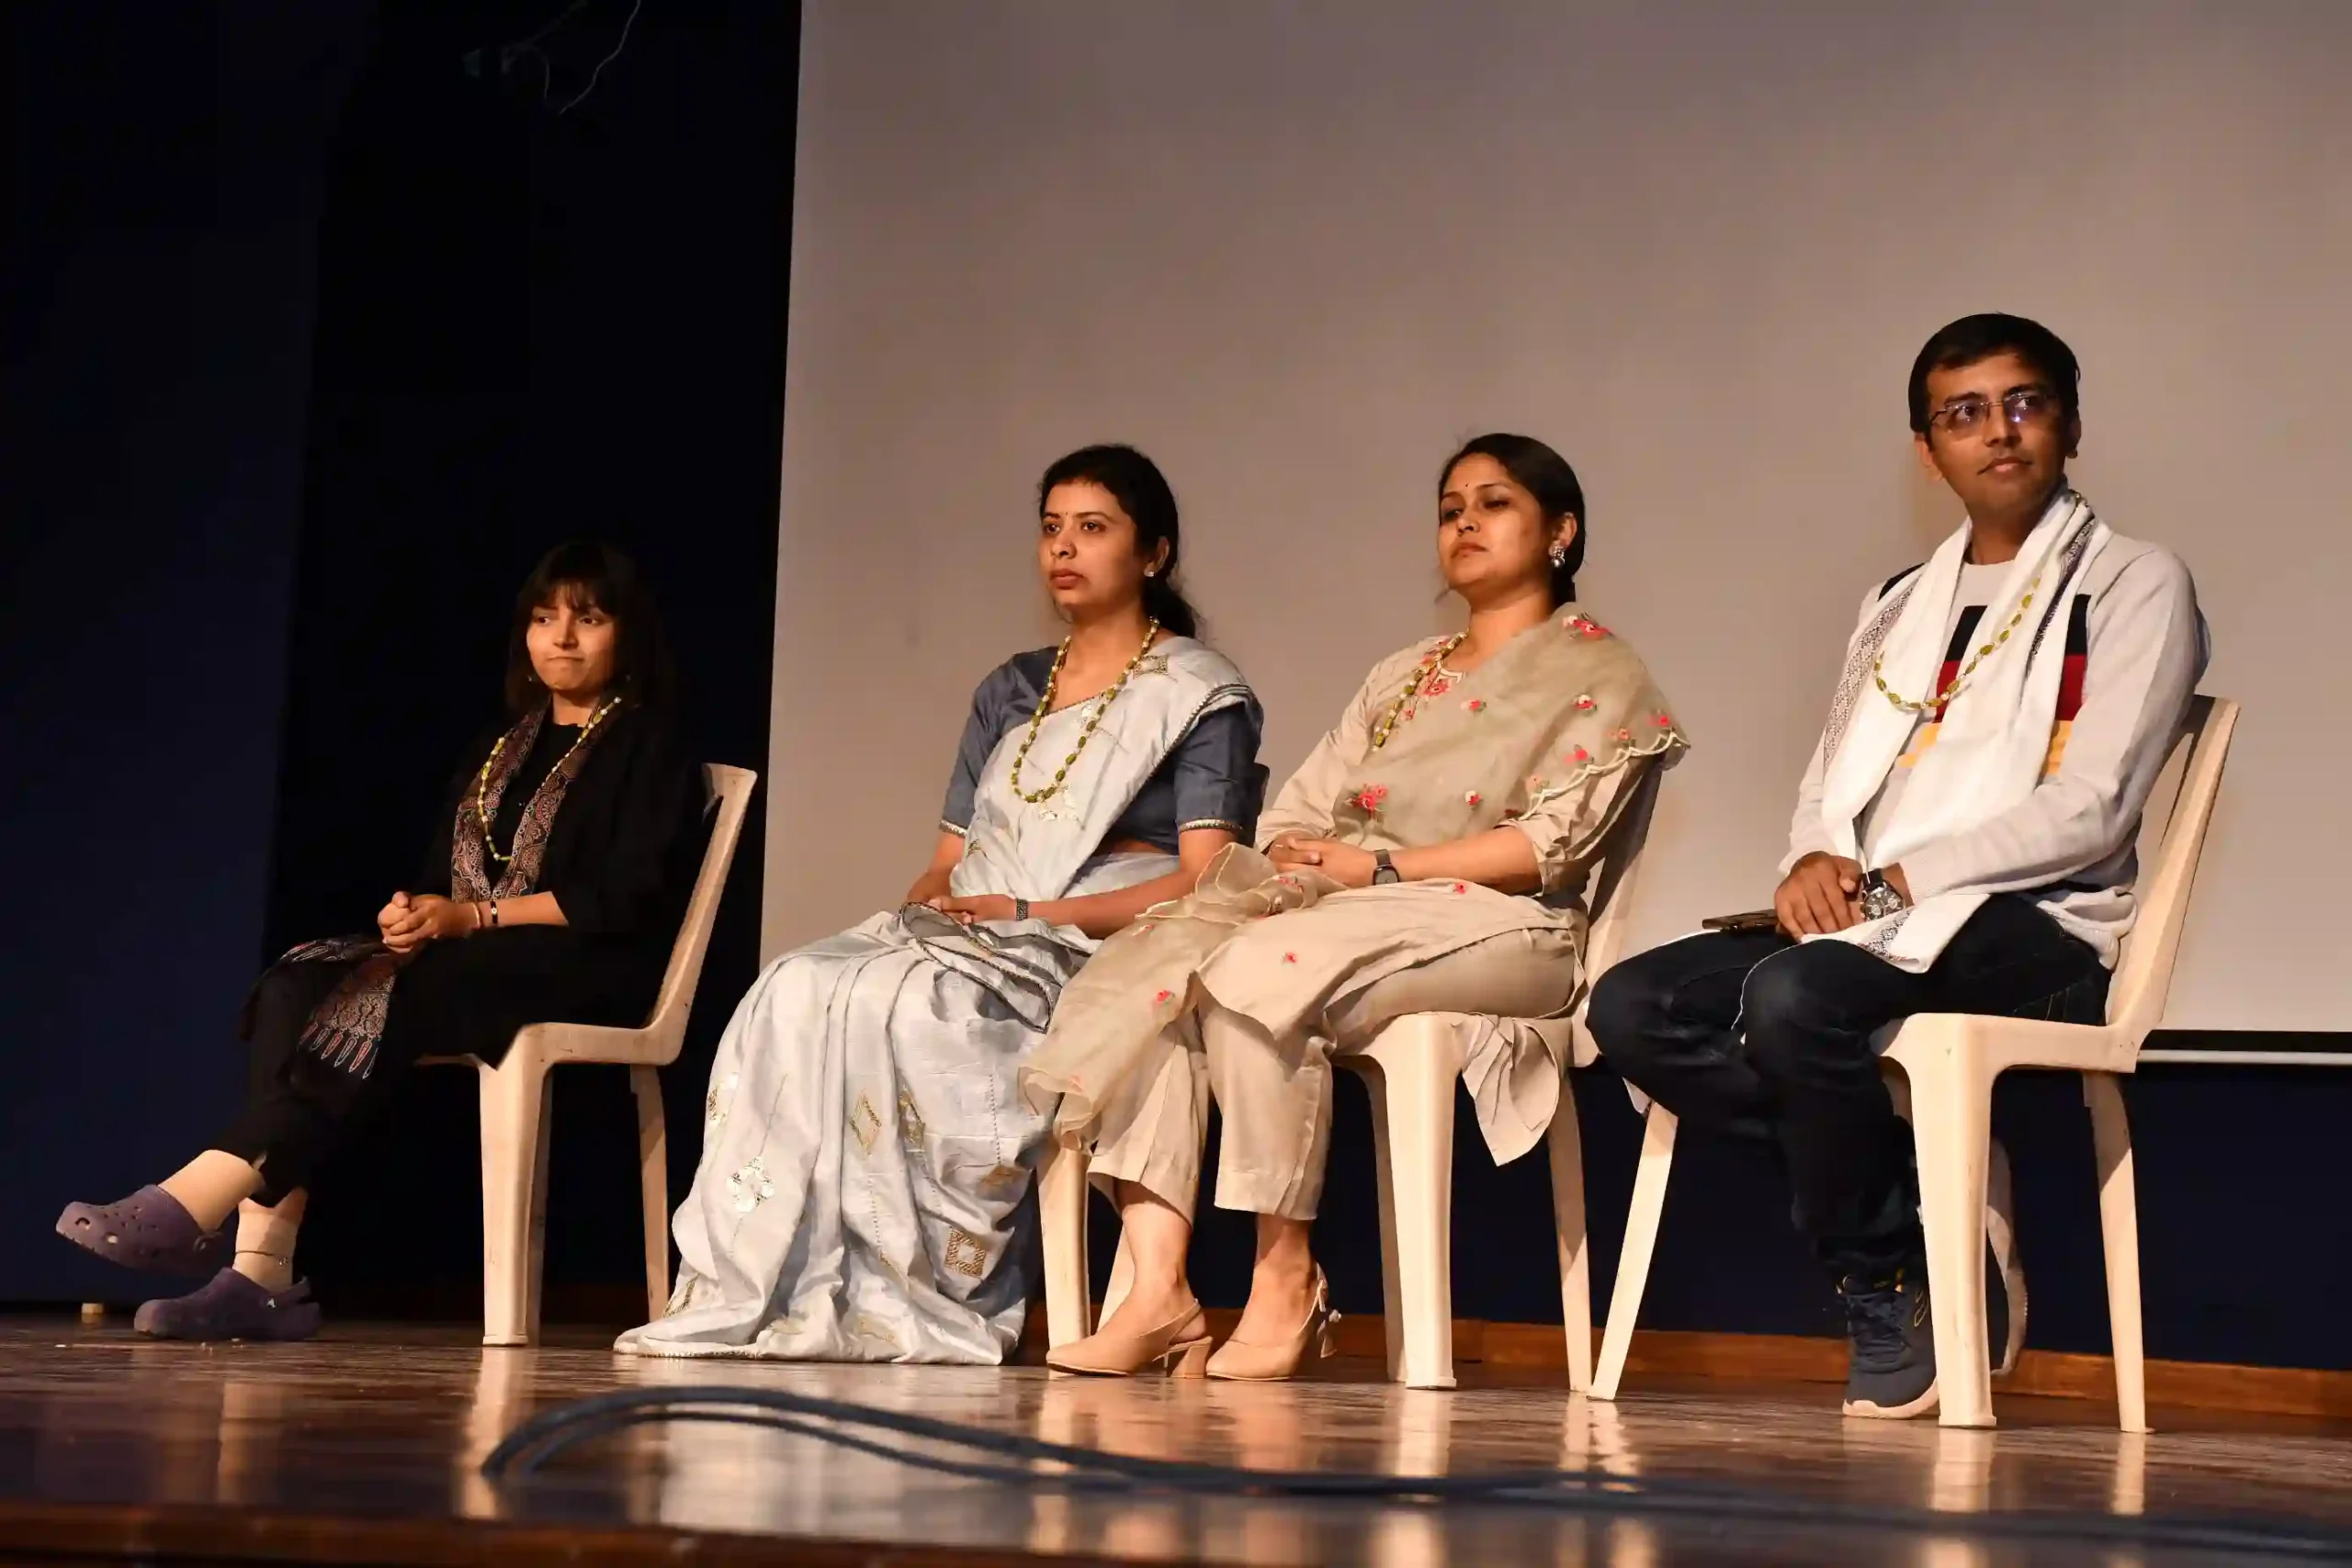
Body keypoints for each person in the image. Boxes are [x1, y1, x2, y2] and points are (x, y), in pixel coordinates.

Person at [1588, 313, 2208, 1420]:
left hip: (2041, 927)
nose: (1997, 432)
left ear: (2068, 425)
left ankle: (1876, 1279)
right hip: (1877, 922)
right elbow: (1831, 775)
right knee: (1635, 1006)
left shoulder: (2131, 581)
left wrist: (1896, 885)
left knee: (1793, 999)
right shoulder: (1896, 601)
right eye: (1963, 414)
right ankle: (1922, 1223)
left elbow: (2094, 805)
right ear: (1928, 452)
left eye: (2022, 404)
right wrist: (1810, 860)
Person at [1024, 434, 1688, 1382]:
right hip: (1348, 911)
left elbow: (1551, 847)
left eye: (1493, 503)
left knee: (1260, 969)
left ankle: (1284, 1278)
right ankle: (1159, 1285)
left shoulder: (1601, 671)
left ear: (1561, 532)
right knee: (1168, 966)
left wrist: (1379, 868)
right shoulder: (1405, 672)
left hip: (1506, 924)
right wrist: (1305, 860)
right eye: (1450, 508)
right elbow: (1299, 808)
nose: (1464, 523)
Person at [617, 445, 1264, 1365]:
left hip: (1096, 937)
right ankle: (781, 1282)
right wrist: (933, 913)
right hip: (985, 922)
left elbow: (1206, 876)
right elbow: (947, 864)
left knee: (915, 1005)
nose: (1062, 548)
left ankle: (913, 1291)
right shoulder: (1010, 688)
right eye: (1051, 528)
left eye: (1092, 528)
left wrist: (1035, 914)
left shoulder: (1196, 691)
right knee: (798, 986)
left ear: (1153, 553)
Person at [57, 542, 709, 1342]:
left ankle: (192, 1197)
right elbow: (443, 876)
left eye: (589, 619)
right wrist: (415, 913)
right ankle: (261, 1275)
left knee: (397, 987)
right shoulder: (502, 747)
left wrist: (471, 919)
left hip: (589, 964)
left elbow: (623, 897)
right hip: (475, 959)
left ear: (627, 633)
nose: (561, 638)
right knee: (298, 983)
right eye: (545, 618)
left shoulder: (651, 745)